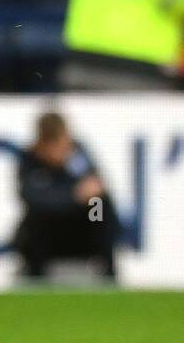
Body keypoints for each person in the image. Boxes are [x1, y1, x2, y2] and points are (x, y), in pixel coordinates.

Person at [13, 111, 119, 282]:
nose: (62, 151)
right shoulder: (30, 162)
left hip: (81, 231)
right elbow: (34, 200)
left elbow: (94, 187)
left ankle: (109, 276)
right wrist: (74, 196)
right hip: (48, 234)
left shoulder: (77, 154)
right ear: (42, 144)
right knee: (36, 220)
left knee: (99, 205)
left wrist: (88, 199)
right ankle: (35, 281)